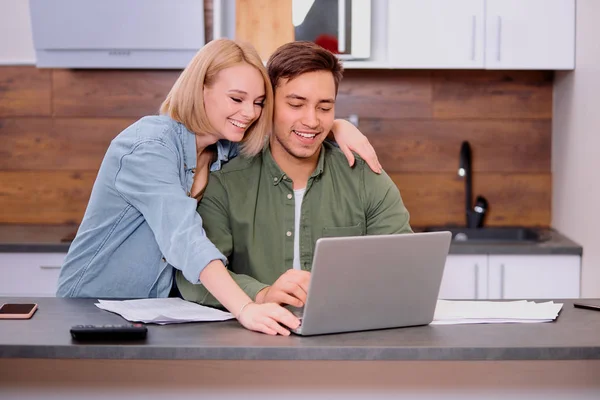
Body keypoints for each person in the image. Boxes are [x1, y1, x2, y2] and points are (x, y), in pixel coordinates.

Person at [55, 39, 382, 336]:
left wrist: (337, 126)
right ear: (200, 90)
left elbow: (292, 132)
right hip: (95, 304)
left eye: (257, 102)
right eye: (237, 98)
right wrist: (246, 309)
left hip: (156, 311)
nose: (249, 113)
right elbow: (184, 238)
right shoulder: (147, 147)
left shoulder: (226, 148)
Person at [176, 41, 413, 334]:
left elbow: (404, 271)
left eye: (324, 107)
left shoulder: (366, 178)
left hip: (351, 343)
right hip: (253, 347)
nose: (312, 121)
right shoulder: (225, 183)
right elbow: (192, 277)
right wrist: (260, 293)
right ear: (268, 105)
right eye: (296, 104)